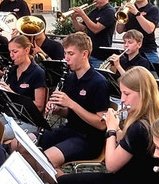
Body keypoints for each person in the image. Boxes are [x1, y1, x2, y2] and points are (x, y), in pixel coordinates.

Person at [40, 32, 111, 168]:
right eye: (65, 53)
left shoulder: (98, 82)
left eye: (71, 54)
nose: (66, 58)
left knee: (46, 159)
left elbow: (102, 124)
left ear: (84, 54)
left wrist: (71, 104)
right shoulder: (70, 78)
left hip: (88, 139)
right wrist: (57, 110)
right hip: (68, 130)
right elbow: (68, 113)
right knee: (21, 144)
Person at [115, 0, 159, 64]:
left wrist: (136, 13)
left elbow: (149, 29)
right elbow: (119, 30)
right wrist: (122, 14)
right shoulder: (128, 10)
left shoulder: (152, 9)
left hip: (148, 51)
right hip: (131, 51)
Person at [72, 0, 117, 69]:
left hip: (100, 55)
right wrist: (74, 19)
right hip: (89, 53)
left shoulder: (110, 11)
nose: (95, 0)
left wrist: (83, 15)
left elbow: (96, 29)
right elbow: (80, 29)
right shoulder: (94, 11)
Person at [0, 35, 48, 113]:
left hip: (29, 118)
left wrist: (13, 95)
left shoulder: (37, 72)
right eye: (10, 52)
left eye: (15, 52)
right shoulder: (12, 70)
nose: (11, 55)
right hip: (12, 113)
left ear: (26, 50)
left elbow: (39, 106)